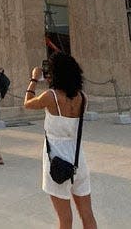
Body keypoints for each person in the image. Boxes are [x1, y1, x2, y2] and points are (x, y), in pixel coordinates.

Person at [25, 53, 96, 229]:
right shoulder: (82, 97)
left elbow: (27, 103)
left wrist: (34, 79)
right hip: (78, 158)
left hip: (56, 158)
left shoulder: (51, 96)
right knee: (87, 215)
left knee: (65, 219)